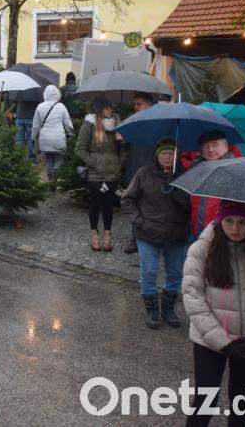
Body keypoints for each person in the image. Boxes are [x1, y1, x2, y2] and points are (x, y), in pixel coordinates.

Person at [182, 201, 245, 427]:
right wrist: (221, 341)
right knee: (205, 400)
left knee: (241, 401)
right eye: (229, 221)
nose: (235, 228)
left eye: (243, 222)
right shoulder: (202, 250)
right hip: (209, 340)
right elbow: (193, 296)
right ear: (220, 219)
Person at [121, 138, 191, 329]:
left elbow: (192, 207)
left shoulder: (186, 175)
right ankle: (152, 310)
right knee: (149, 272)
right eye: (164, 153)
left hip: (176, 233)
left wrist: (180, 194)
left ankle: (168, 309)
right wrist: (140, 223)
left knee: (175, 273)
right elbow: (127, 200)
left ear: (177, 156)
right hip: (148, 232)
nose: (168, 157)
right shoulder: (144, 173)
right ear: (157, 155)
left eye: (172, 153)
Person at [75, 97, 126, 252]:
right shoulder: (89, 124)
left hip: (112, 173)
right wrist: (94, 163)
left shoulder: (116, 125)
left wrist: (119, 161)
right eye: (106, 108)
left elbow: (124, 150)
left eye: (110, 107)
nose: (110, 110)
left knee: (108, 205)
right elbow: (79, 149)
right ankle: (94, 235)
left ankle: (107, 236)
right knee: (95, 205)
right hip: (95, 174)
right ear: (99, 110)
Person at [186, 130, 238, 241]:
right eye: (206, 146)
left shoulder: (237, 170)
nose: (210, 150)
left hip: (225, 236)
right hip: (196, 233)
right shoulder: (196, 170)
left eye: (215, 145)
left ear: (226, 146)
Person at [122, 92, 157, 254]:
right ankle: (135, 237)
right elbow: (127, 146)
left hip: (152, 170)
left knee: (151, 206)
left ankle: (151, 237)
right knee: (135, 205)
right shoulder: (133, 121)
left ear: (149, 104)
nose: (135, 107)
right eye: (134, 104)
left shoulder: (158, 121)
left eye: (139, 103)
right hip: (135, 168)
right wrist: (121, 140)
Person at [31, 85, 73, 184]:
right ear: (57, 94)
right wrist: (71, 136)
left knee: (49, 160)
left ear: (45, 94)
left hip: (45, 139)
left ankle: (50, 180)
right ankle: (55, 180)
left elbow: (35, 126)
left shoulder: (40, 106)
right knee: (59, 160)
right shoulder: (61, 106)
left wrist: (33, 137)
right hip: (59, 138)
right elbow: (68, 123)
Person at [14, 97, 40, 163]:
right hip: (31, 117)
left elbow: (15, 101)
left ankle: (17, 158)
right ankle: (32, 159)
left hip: (19, 116)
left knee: (18, 139)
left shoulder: (20, 92)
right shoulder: (36, 93)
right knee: (31, 139)